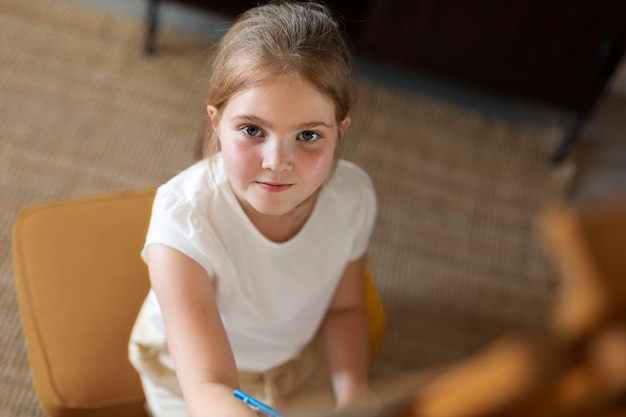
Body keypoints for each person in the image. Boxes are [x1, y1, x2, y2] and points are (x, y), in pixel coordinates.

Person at [129, 1, 378, 416]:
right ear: (216, 123)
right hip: (189, 377)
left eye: (308, 135)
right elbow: (209, 385)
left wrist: (353, 391)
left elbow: (345, 307)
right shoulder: (182, 221)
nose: (277, 161)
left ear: (340, 132)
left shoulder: (353, 196)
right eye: (252, 130)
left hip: (293, 363)